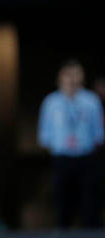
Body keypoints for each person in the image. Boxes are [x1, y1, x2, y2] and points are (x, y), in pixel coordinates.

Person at [37, 59, 104, 228]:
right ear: (61, 77)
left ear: (82, 77)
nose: (73, 79)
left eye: (76, 74)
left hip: (86, 159)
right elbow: (45, 136)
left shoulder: (91, 101)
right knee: (62, 204)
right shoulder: (51, 102)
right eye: (69, 75)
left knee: (89, 204)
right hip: (62, 159)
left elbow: (98, 135)